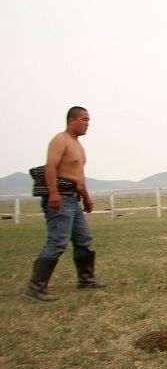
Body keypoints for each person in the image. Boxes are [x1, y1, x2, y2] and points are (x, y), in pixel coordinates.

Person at [23, 106, 106, 302]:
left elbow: (78, 175)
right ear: (72, 120)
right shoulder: (60, 140)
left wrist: (86, 196)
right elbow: (50, 167)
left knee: (83, 239)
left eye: (89, 120)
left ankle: (86, 279)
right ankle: (36, 287)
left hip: (73, 198)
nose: (88, 123)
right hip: (60, 197)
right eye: (84, 119)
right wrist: (53, 193)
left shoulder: (77, 145)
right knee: (58, 241)